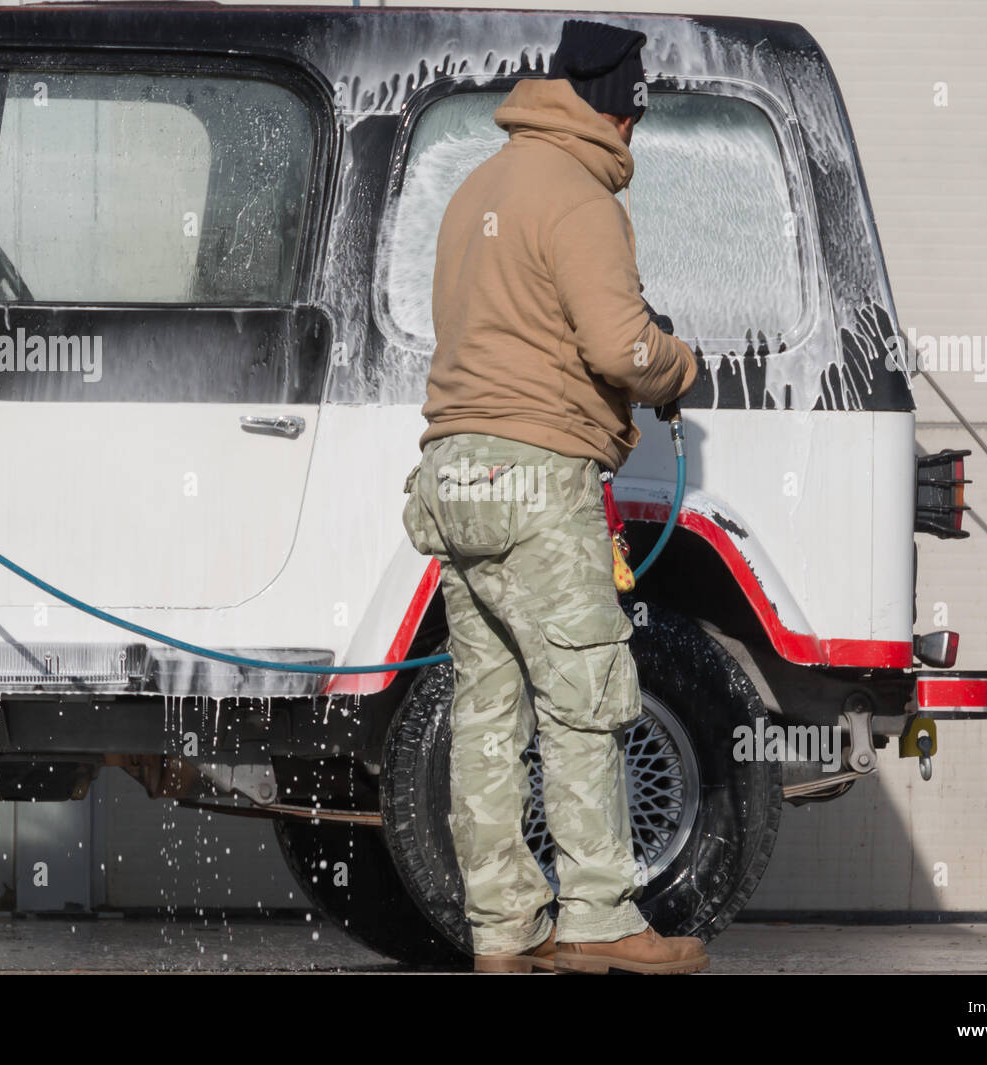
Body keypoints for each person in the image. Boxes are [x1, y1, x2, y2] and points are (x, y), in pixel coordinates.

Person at [402, 18, 706, 975]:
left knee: (489, 711)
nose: (632, 144)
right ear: (619, 116)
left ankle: (503, 928)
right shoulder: (577, 196)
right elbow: (621, 347)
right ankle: (600, 917)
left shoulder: (475, 189)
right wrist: (678, 367)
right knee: (585, 700)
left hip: (452, 473)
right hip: (538, 478)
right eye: (634, 125)